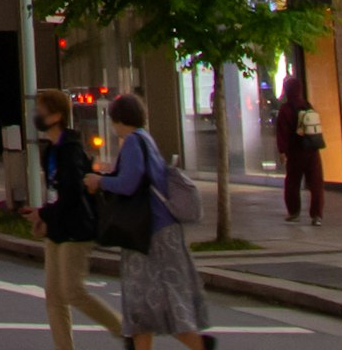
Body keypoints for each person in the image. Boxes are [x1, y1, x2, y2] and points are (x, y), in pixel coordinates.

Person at [96, 91, 211, 350]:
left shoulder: (134, 142)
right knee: (145, 307)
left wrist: (100, 181)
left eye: (114, 120)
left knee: (150, 304)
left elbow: (128, 184)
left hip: (150, 235)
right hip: (157, 232)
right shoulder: (145, 139)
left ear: (119, 119)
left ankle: (200, 345)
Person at [32, 94, 118, 350]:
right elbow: (56, 192)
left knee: (72, 292)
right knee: (54, 297)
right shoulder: (51, 150)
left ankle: (123, 329)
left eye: (40, 111)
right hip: (58, 229)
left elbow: (71, 193)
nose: (36, 116)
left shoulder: (70, 150)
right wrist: (45, 215)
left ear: (56, 116)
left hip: (76, 230)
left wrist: (44, 214)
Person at [272, 70, 324, 226]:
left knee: (293, 183)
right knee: (316, 184)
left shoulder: (285, 109)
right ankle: (317, 215)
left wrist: (282, 151)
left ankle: (294, 212)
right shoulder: (308, 105)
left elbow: (282, 132)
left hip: (296, 152)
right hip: (312, 150)